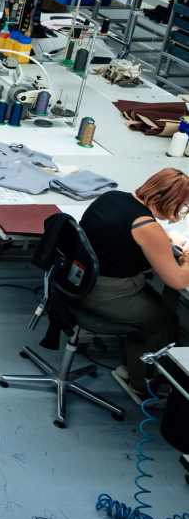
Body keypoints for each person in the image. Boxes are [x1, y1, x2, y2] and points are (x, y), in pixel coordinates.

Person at [79, 168, 189, 395]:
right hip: (105, 293)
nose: (182, 212)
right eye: (184, 207)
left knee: (156, 299)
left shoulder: (112, 197)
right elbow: (177, 281)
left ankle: (133, 363)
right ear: (171, 201)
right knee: (165, 321)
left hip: (79, 281)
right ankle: (140, 382)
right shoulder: (146, 226)